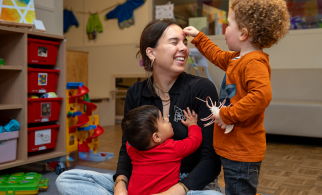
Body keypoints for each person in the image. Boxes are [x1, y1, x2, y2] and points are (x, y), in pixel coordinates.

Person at [56, 19, 222, 195]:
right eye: (174, 42)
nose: (184, 48)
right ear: (151, 52)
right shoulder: (136, 93)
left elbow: (210, 159)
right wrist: (120, 186)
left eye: (184, 42)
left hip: (188, 184)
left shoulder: (201, 88)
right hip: (143, 181)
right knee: (67, 179)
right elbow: (126, 149)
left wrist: (176, 191)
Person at [183, 0, 290, 194]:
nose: (225, 29)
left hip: (243, 152)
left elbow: (261, 96)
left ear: (243, 33)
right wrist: (198, 37)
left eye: (229, 24)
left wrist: (227, 115)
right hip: (232, 148)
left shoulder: (254, 62)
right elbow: (216, 55)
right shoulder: (237, 58)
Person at [122, 105, 202, 195]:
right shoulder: (173, 149)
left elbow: (128, 143)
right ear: (156, 137)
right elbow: (195, 141)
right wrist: (193, 125)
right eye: (163, 120)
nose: (167, 119)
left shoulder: (132, 150)